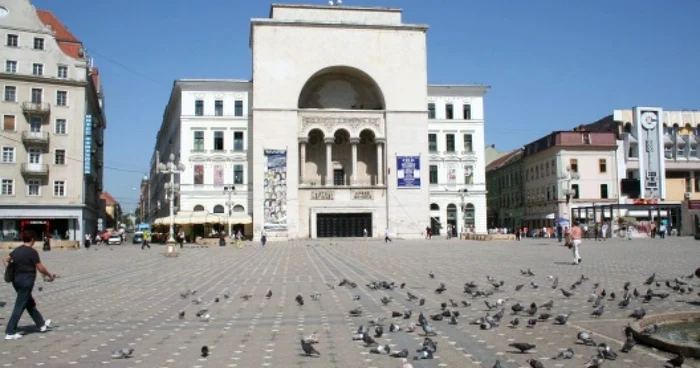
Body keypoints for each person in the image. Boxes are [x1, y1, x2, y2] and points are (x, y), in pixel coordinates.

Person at [3, 231, 54, 340]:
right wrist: (49, 275)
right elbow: (40, 267)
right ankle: (10, 332)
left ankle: (41, 324)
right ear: (32, 240)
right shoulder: (32, 252)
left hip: (16, 281)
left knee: (29, 303)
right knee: (20, 306)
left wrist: (10, 269)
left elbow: (5, 259)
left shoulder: (17, 250)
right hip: (27, 281)